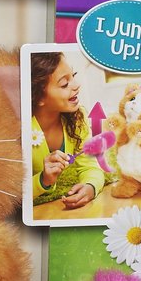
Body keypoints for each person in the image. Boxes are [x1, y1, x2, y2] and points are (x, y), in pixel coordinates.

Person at [31, 52, 104, 209]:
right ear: (39, 97)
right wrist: (42, 180)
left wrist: (90, 187)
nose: (76, 85)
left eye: (73, 76)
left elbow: (91, 166)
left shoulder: (77, 119)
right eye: (64, 84)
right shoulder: (19, 129)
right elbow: (9, 192)